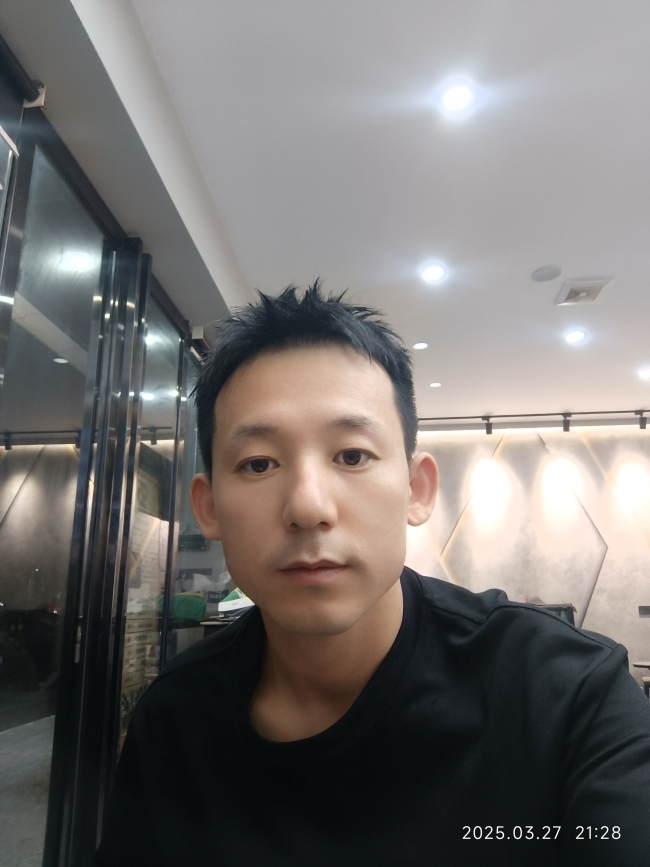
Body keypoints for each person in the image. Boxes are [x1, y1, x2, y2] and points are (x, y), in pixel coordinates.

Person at [95, 282, 650, 866]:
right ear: (208, 508)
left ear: (416, 488)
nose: (308, 506)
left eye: (352, 455)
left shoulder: (567, 697)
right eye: (259, 464)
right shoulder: (175, 718)